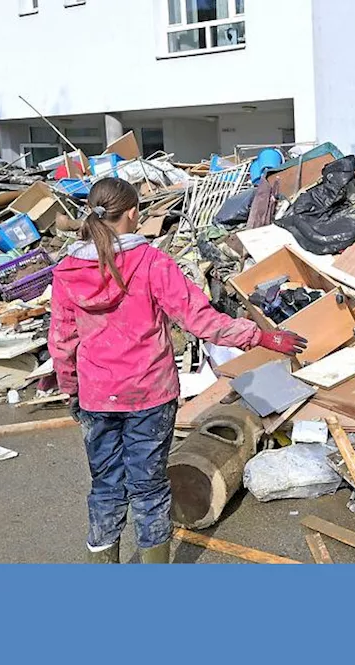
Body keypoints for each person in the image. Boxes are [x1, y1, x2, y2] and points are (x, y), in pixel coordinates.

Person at [48, 178, 307, 564]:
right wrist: (262, 337)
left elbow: (62, 342)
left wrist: (73, 390)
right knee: (149, 488)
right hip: (150, 395)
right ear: (133, 213)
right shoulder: (151, 263)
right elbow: (200, 320)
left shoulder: (68, 273)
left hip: (97, 396)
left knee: (105, 486)